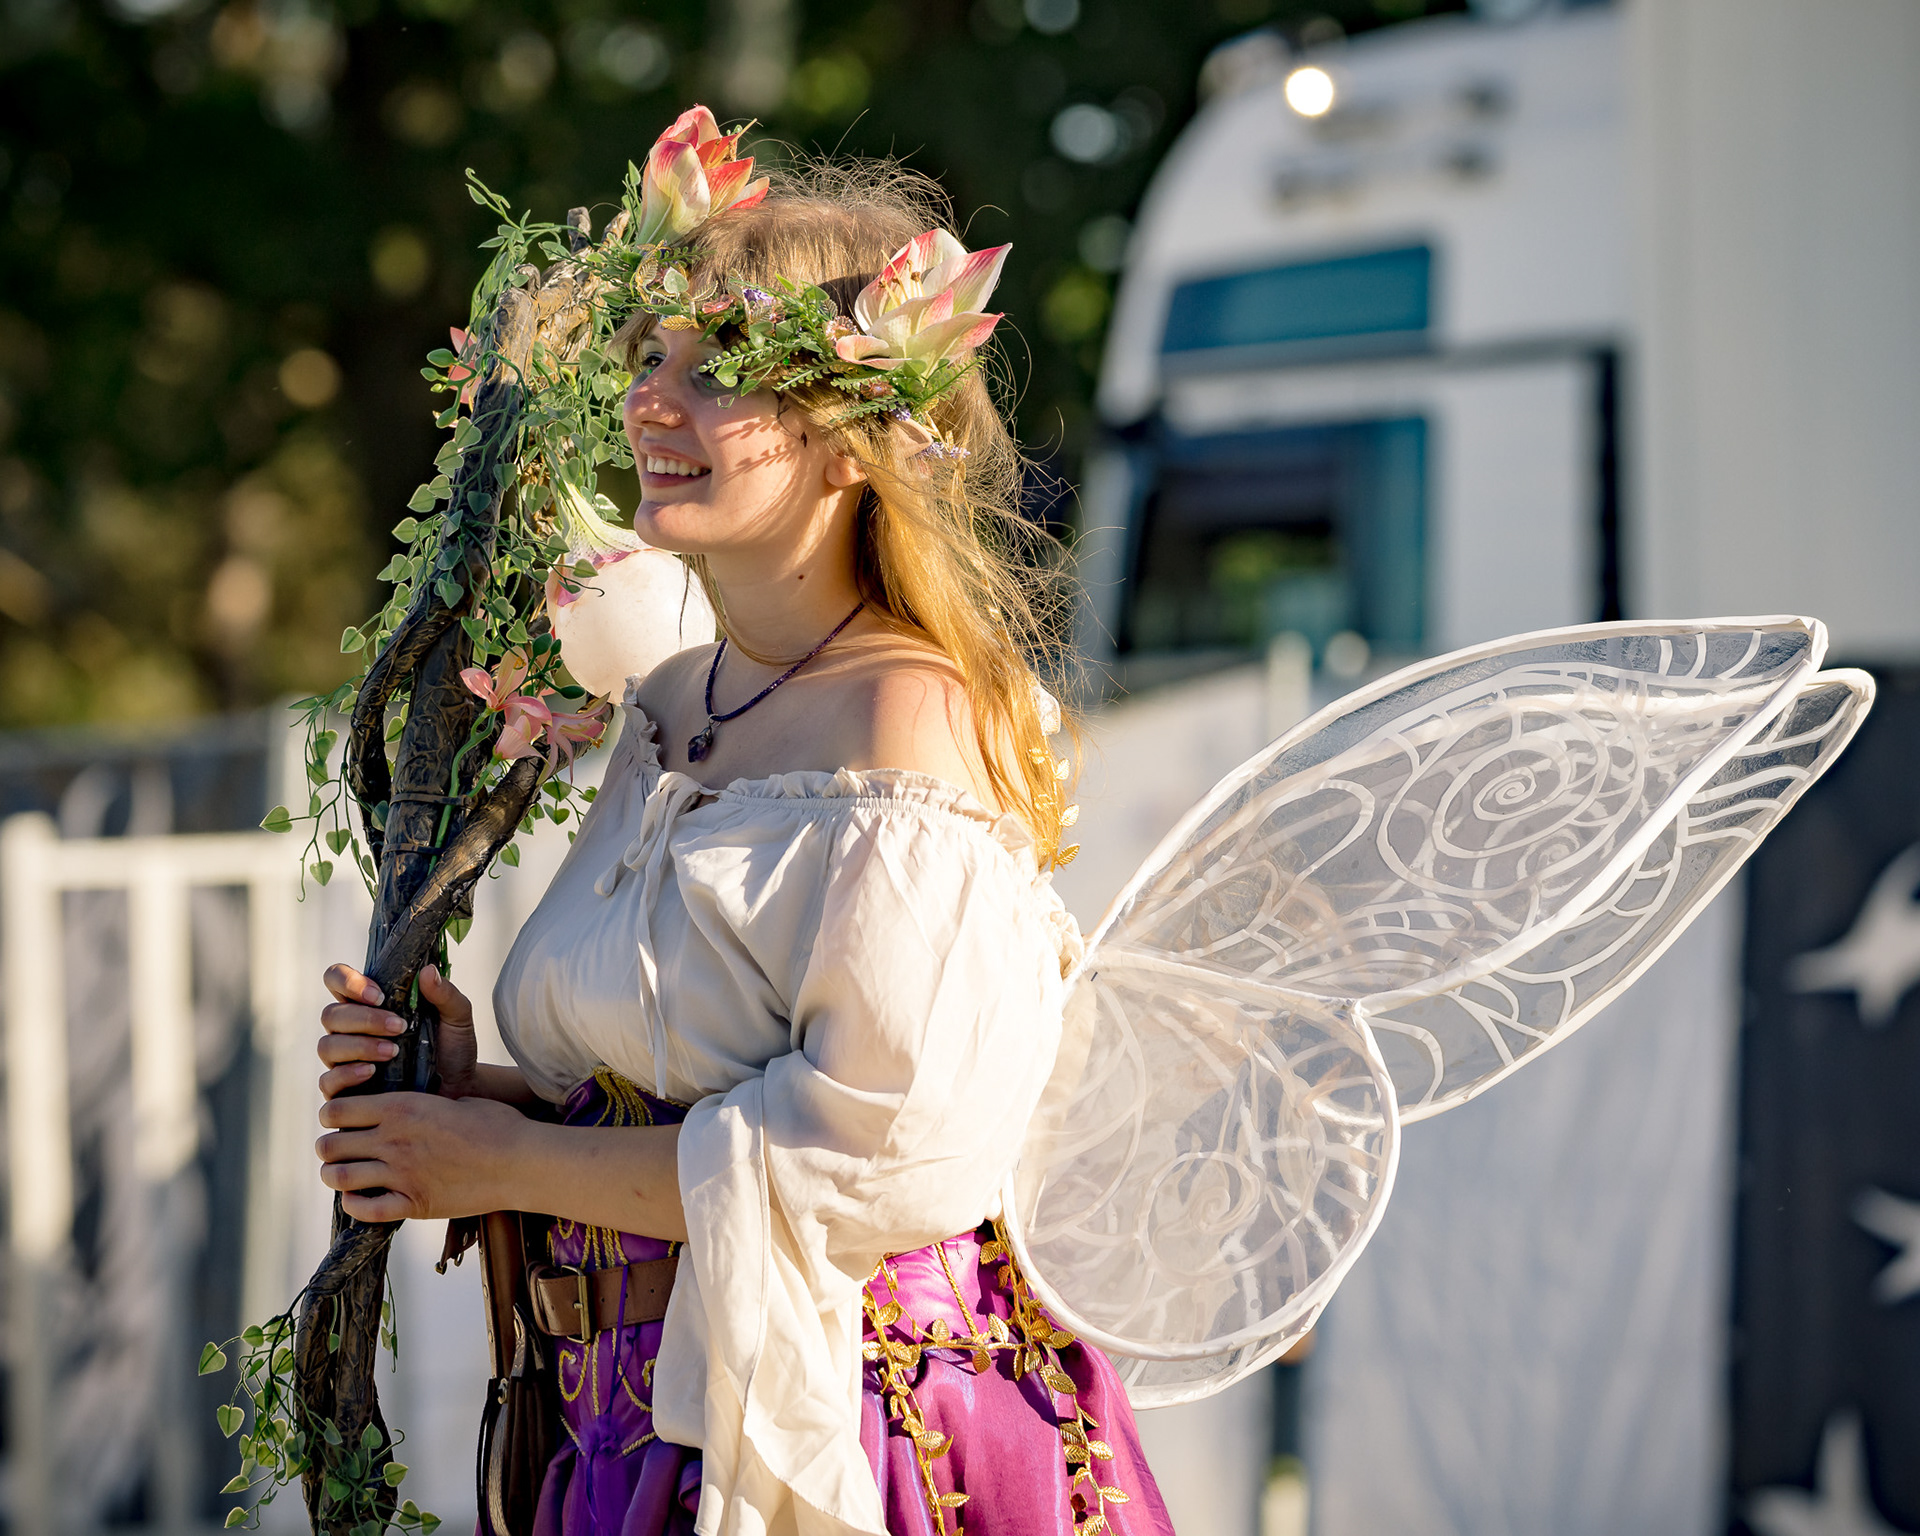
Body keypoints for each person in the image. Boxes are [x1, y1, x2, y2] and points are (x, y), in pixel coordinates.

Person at [312, 158, 1176, 1536]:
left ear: (854, 433)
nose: (653, 399)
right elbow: (669, 1099)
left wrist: (496, 1168)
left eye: (720, 368)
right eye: (654, 357)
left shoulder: (909, 718)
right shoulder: (665, 705)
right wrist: (453, 1093)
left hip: (864, 1437)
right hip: (618, 1429)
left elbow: (882, 1162)